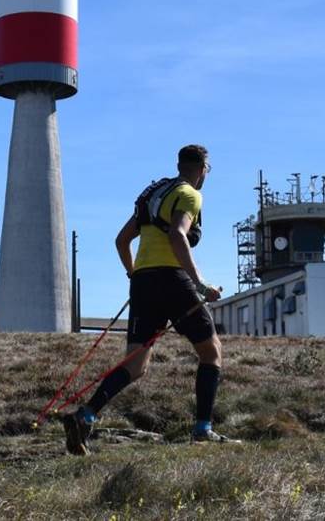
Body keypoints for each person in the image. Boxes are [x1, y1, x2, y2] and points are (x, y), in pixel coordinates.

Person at [62, 143, 229, 454]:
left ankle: (85, 416)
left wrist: (135, 275)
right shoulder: (190, 195)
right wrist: (201, 284)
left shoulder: (154, 194)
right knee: (211, 352)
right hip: (173, 281)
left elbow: (122, 240)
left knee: (136, 365)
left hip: (143, 283)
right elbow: (178, 235)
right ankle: (203, 429)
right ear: (202, 169)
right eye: (208, 169)